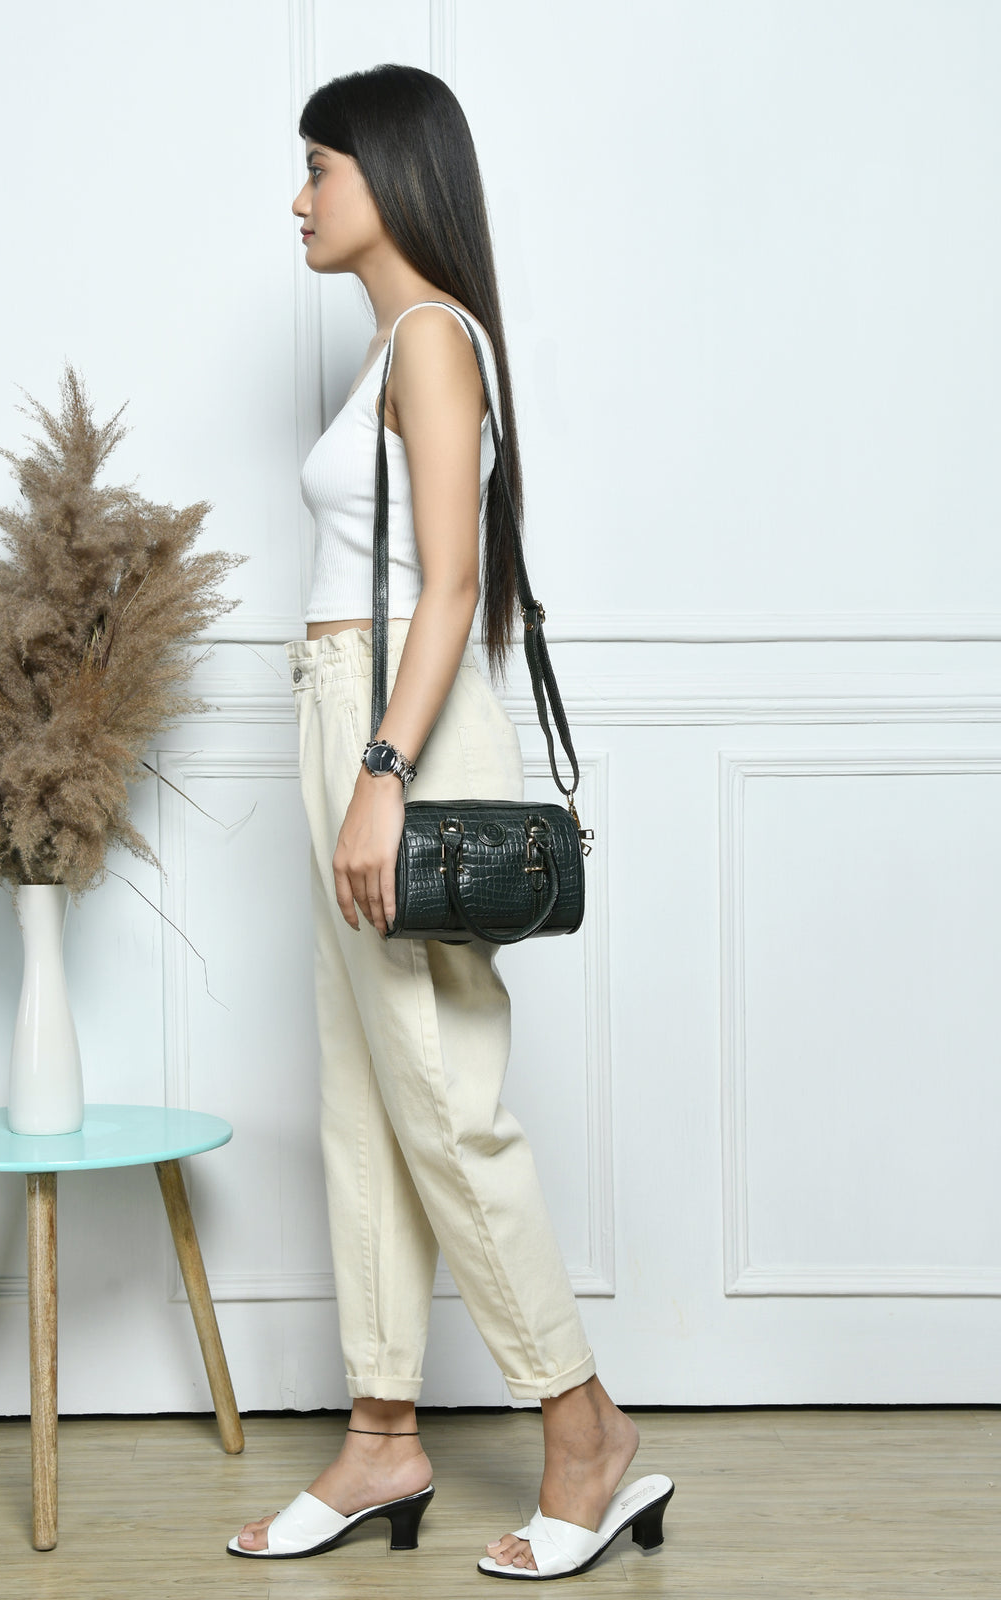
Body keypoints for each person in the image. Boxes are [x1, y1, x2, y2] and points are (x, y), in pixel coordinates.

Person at [228, 64, 672, 1579]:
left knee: (442, 1095)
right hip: (342, 708)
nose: (299, 198)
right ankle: (380, 1435)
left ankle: (584, 1428)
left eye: (321, 168)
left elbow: (454, 583)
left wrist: (380, 770)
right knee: (368, 1095)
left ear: (394, 175)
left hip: (387, 724)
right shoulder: (396, 343)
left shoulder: (430, 336)